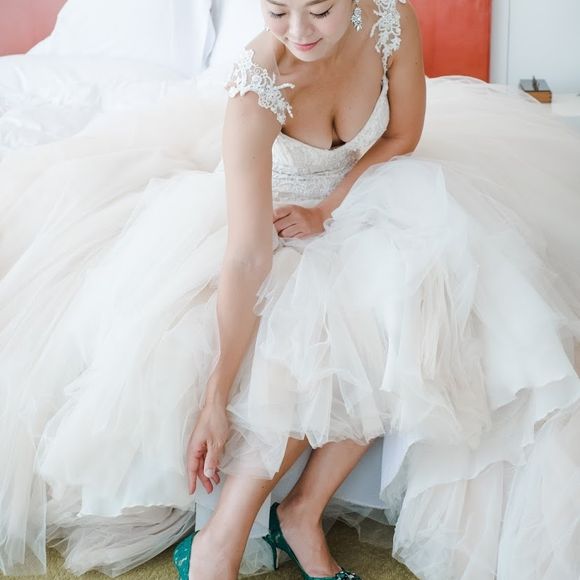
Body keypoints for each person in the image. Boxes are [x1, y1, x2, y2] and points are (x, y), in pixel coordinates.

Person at [1, 1, 579, 579]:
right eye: (277, 11)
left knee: (419, 286)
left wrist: (331, 208)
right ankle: (222, 541)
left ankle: (302, 510)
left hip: (366, 194)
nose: (298, 32)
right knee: (316, 320)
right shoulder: (256, 90)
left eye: (320, 10)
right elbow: (247, 256)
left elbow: (402, 134)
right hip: (273, 222)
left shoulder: (391, 22)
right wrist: (215, 396)